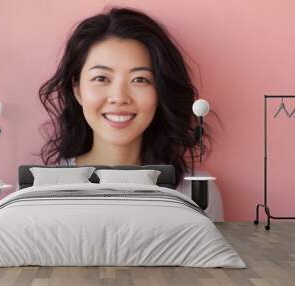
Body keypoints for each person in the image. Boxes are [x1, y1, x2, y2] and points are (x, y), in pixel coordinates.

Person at [37, 7, 223, 221]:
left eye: (140, 79)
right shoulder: (39, 188)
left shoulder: (197, 193)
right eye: (101, 78)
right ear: (77, 89)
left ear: (159, 90)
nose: (119, 97)